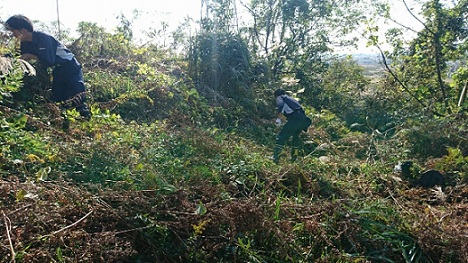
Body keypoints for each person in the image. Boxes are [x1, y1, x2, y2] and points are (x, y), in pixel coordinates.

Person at [4, 15, 91, 121]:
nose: (12, 35)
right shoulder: (25, 43)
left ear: (23, 31)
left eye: (13, 31)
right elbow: (18, 55)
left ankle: (86, 125)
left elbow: (48, 60)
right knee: (59, 99)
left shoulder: (44, 38)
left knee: (77, 97)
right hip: (58, 70)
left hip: (70, 67)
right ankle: (64, 126)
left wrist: (29, 56)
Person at [272, 88, 311, 163]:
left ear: (276, 95)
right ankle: (294, 158)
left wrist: (278, 119)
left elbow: (281, 106)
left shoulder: (281, 97)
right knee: (295, 137)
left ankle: (276, 157)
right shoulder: (290, 98)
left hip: (295, 119)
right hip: (302, 119)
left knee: (282, 136)